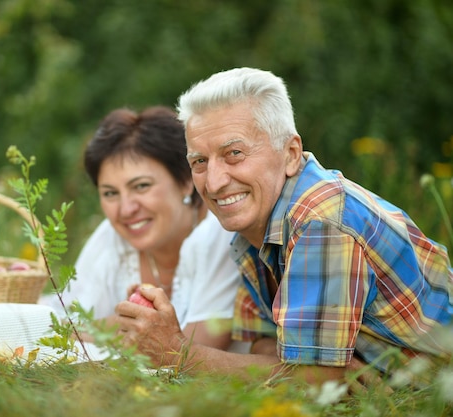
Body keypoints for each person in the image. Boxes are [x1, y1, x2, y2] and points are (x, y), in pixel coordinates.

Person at [113, 67, 453, 386]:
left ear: (291, 153)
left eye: (234, 153)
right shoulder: (255, 224)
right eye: (199, 161)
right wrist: (315, 370)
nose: (214, 183)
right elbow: (264, 344)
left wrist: (175, 352)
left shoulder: (320, 220)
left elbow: (313, 382)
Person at [42, 106, 245, 351]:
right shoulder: (111, 235)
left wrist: (111, 328)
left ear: (184, 181)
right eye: (110, 193)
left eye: (141, 186)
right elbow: (63, 324)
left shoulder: (220, 232)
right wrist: (118, 327)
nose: (126, 209)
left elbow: (196, 349)